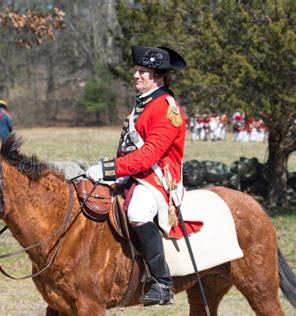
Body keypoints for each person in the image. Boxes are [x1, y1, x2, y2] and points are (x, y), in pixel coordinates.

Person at [86, 46, 187, 306]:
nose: (136, 76)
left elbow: (149, 155)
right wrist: (111, 173)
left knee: (138, 212)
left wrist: (111, 169)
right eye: (136, 71)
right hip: (135, 173)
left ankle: (162, 283)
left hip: (158, 177)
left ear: (159, 76)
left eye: (143, 72)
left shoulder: (166, 107)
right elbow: (128, 148)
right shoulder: (142, 105)